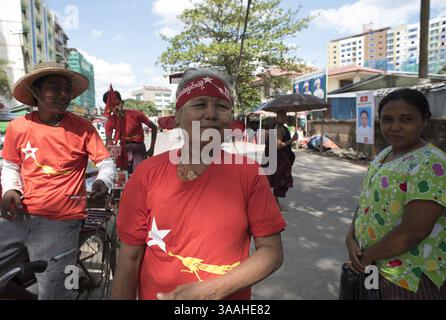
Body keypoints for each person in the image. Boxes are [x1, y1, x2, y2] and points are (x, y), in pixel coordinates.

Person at [112, 68, 286, 300]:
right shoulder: (146, 174)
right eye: (200, 104)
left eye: (222, 106)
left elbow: (271, 252)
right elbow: (129, 258)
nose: (211, 114)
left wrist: (213, 290)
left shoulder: (249, 173)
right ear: (178, 116)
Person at [0, 62, 116, 300]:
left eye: (67, 91)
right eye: (54, 89)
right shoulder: (17, 127)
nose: (64, 95)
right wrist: (10, 189)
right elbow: (11, 164)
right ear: (36, 93)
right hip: (17, 216)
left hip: (61, 223)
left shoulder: (83, 128)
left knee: (56, 292)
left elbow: (106, 163)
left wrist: (104, 181)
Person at [345, 88, 446, 299]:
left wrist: (367, 256)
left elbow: (415, 231)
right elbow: (367, 198)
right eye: (387, 120)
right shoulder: (385, 154)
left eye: (406, 119)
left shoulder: (431, 162)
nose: (395, 127)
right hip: (378, 266)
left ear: (424, 120)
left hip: (411, 276)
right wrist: (351, 236)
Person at [103, 90, 158, 173]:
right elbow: (108, 140)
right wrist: (111, 157)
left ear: (122, 102)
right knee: (123, 179)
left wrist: (152, 148)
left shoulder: (137, 114)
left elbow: (154, 127)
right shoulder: (110, 120)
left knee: (140, 175)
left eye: (117, 104)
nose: (116, 108)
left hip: (138, 149)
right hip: (122, 150)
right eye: (111, 106)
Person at [264, 111, 297, 212]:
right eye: (281, 116)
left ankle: (274, 203)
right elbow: (278, 145)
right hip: (278, 159)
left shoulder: (279, 127)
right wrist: (292, 140)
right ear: (277, 117)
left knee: (274, 181)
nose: (284, 118)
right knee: (278, 181)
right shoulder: (278, 128)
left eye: (285, 116)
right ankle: (276, 205)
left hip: (276, 157)